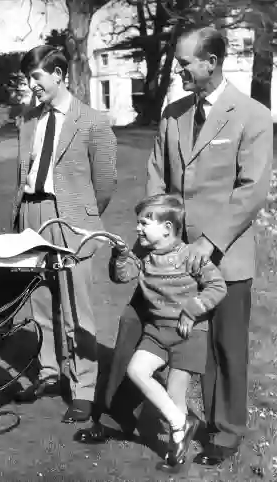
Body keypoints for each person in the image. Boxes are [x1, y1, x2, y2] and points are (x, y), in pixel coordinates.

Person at [86, 26, 273, 465]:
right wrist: (152, 229)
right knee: (135, 323)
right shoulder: (173, 114)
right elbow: (156, 174)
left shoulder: (252, 116)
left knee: (225, 347)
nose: (180, 69)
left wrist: (210, 242)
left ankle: (223, 434)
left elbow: (252, 189)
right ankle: (118, 414)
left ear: (211, 61)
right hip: (166, 254)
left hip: (223, 256)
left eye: (187, 61)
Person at [11, 45, 117, 423]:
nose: (31, 85)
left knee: (76, 308)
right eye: (27, 78)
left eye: (36, 77)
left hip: (70, 218)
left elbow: (104, 182)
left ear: (59, 74)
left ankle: (84, 388)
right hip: (32, 213)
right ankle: (49, 374)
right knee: (40, 302)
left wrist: (82, 217)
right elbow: (24, 170)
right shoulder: (28, 119)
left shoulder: (92, 121)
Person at [110, 194, 227, 471]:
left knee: (176, 393)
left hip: (188, 334)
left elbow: (218, 287)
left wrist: (192, 308)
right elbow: (123, 276)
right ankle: (180, 423)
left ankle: (175, 454)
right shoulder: (145, 257)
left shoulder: (190, 256)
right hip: (157, 331)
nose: (138, 228)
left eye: (144, 222)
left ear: (167, 229)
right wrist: (121, 255)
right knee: (136, 370)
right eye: (137, 223)